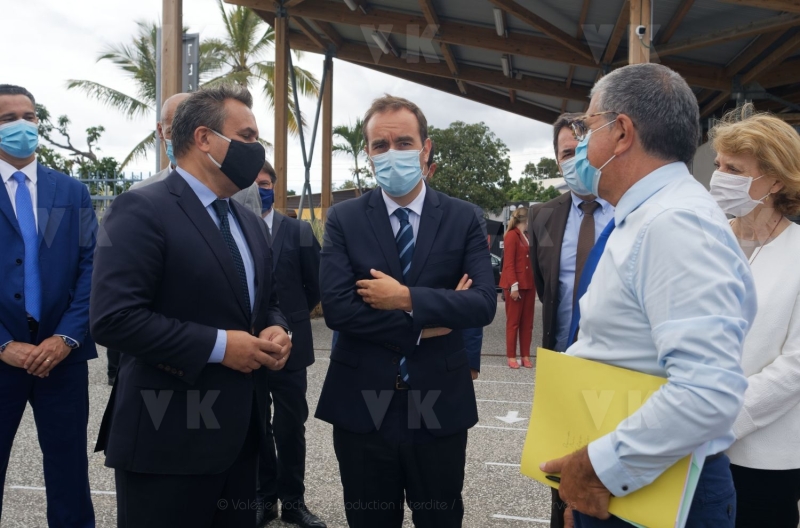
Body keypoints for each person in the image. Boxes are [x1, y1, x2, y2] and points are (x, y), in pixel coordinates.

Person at [539, 63, 756, 527]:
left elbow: (707, 391)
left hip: (662, 490)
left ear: (621, 133)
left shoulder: (675, 223)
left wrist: (596, 468)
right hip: (630, 482)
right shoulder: (643, 216)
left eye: (587, 126)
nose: (580, 144)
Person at [91, 84, 292, 528]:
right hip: (168, 441)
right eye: (246, 137)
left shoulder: (247, 221)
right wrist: (221, 347)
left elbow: (267, 302)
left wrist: (277, 329)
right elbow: (113, 319)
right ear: (204, 138)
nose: (256, 149)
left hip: (241, 443)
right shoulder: (140, 209)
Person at [316, 95, 497, 528]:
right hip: (363, 404)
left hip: (437, 402)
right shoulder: (343, 219)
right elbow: (338, 309)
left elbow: (481, 303)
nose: (391, 153)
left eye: (403, 142)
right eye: (380, 145)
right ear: (368, 154)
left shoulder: (464, 218)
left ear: (425, 148)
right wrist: (424, 324)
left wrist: (405, 298)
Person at [0, 84, 97, 526]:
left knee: (69, 472)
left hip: (63, 357)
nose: (22, 126)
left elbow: (92, 268)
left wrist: (66, 337)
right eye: (8, 119)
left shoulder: (71, 192)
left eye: (30, 116)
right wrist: (4, 344)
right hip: (3, 354)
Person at [708, 105, 800, 527]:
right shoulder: (705, 240)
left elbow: (794, 366)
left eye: (735, 169)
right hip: (687, 442)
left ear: (776, 181)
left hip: (763, 457)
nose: (719, 177)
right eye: (718, 165)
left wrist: (718, 419)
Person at [528, 112, 614, 528]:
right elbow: (547, 286)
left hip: (617, 372)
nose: (575, 159)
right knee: (560, 475)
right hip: (561, 367)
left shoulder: (631, 209)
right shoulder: (543, 217)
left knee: (610, 485)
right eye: (566, 153)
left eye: (582, 148)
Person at [254, 161, 325, 528]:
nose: (259, 190)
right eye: (253, 184)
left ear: (275, 187)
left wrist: (292, 318)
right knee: (256, 426)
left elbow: (316, 283)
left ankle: (294, 502)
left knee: (290, 425)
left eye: (265, 183)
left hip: (291, 348)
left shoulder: (298, 230)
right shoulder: (232, 227)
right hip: (247, 346)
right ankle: (264, 499)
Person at [425, 140, 483, 380]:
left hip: (444, 359)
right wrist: (448, 306)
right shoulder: (353, 218)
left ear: (431, 169)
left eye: (405, 145)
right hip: (372, 364)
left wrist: (470, 362)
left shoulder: (465, 217)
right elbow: (348, 307)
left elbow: (474, 297)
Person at [499, 207, 535, 369]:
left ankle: (525, 355)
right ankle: (511, 356)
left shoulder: (527, 236)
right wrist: (513, 285)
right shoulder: (511, 236)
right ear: (526, 219)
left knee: (527, 323)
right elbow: (509, 263)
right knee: (513, 323)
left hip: (529, 284)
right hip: (516, 285)